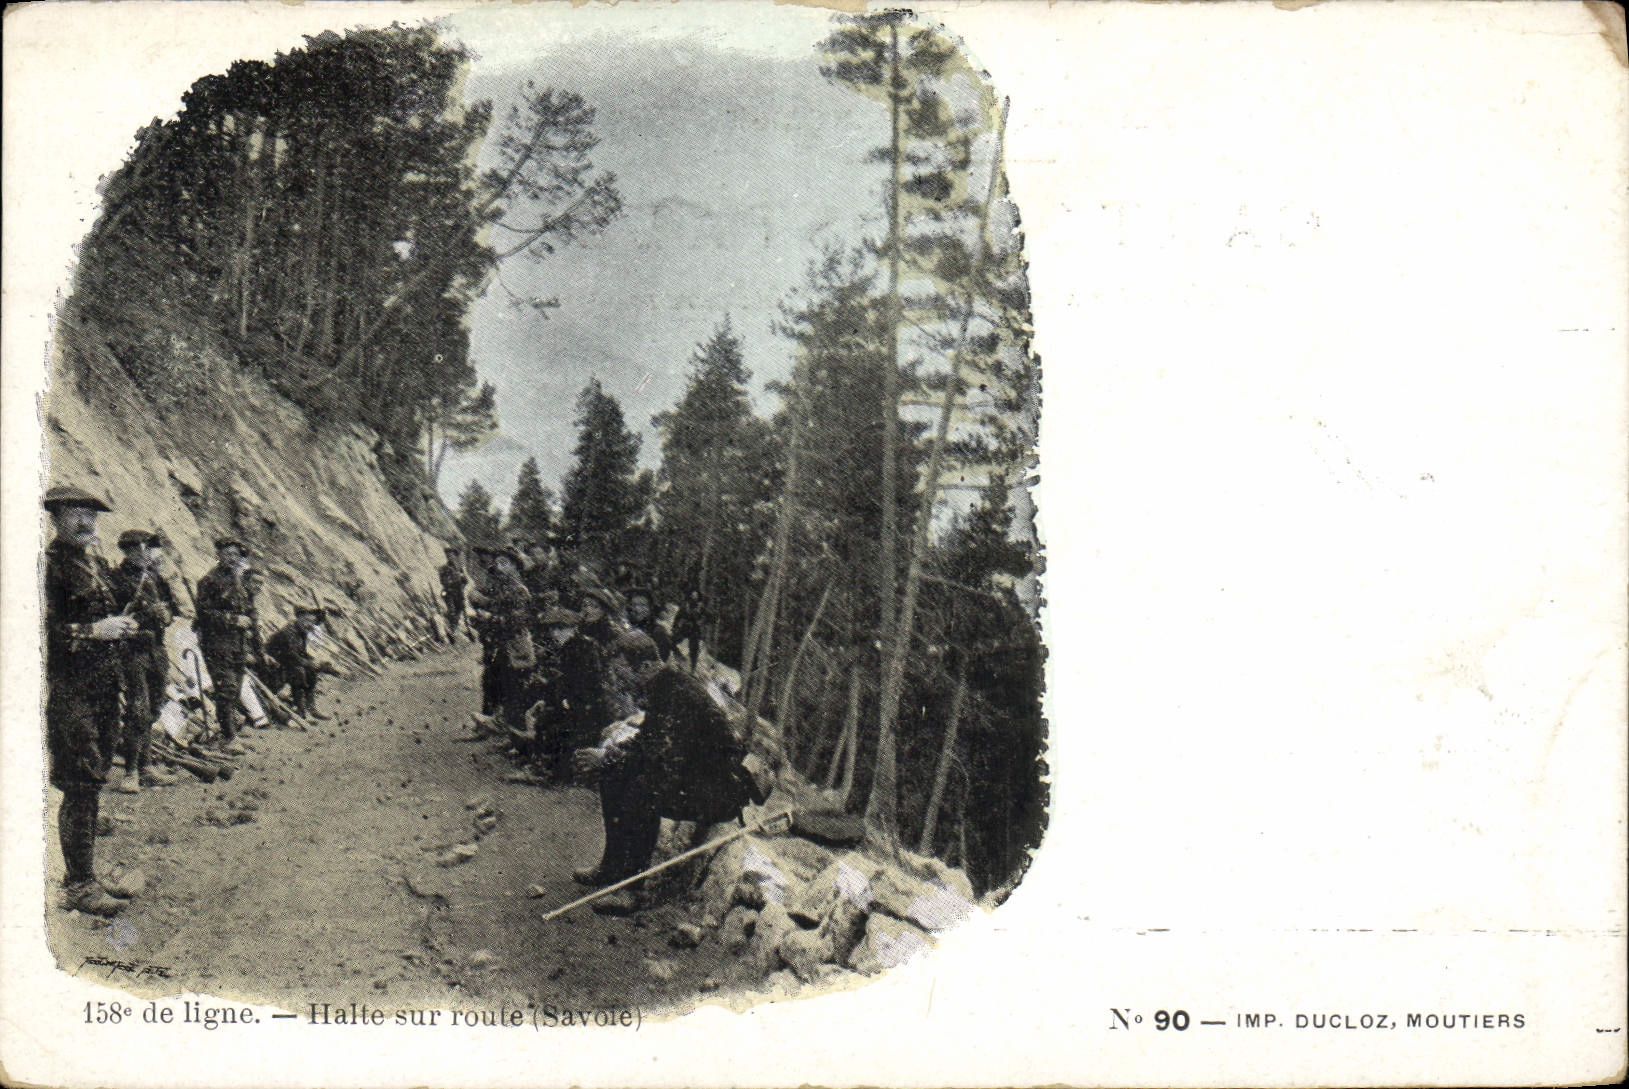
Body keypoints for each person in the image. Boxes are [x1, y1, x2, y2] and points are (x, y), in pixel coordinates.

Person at [572, 662, 756, 913]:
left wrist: (612, 758)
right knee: (614, 773)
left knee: (644, 790)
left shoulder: (679, 693)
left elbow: (663, 759)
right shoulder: (665, 687)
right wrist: (609, 756)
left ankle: (633, 888)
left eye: (627, 671)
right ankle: (612, 866)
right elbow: (648, 740)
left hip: (719, 790)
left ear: (645, 666)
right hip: (695, 777)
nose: (624, 681)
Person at [43, 485, 141, 916]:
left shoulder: (94, 564)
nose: (86, 522)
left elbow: (101, 615)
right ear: (56, 518)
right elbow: (38, 632)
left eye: (91, 515)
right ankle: (79, 885)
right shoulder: (47, 568)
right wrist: (92, 632)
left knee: (94, 778)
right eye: (76, 514)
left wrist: (119, 626)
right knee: (80, 783)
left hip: (102, 686)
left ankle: (83, 874)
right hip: (70, 690)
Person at [108, 529, 180, 793]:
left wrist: (166, 614)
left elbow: (173, 607)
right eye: (141, 549)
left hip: (156, 649)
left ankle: (146, 767)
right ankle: (131, 772)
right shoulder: (116, 578)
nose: (146, 554)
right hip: (132, 651)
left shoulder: (156, 578)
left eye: (149, 549)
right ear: (129, 551)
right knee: (137, 710)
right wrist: (148, 612)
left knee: (154, 708)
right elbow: (112, 613)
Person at [528, 606, 609, 783]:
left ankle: (553, 772)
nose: (556, 633)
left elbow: (589, 683)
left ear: (573, 628)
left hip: (588, 707)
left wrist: (566, 702)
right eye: (553, 629)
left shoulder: (583, 648)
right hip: (577, 702)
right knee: (546, 718)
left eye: (561, 629)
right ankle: (543, 765)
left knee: (557, 726)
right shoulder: (569, 647)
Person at [193, 538, 258, 754]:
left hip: (237, 642)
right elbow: (204, 614)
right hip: (217, 642)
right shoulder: (209, 581)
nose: (233, 558)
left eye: (236, 555)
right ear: (219, 554)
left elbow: (248, 609)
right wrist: (232, 620)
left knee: (236, 687)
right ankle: (229, 738)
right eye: (228, 554)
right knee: (227, 688)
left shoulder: (238, 580)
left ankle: (230, 733)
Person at [468, 546, 534, 735]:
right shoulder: (500, 587)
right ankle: (491, 726)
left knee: (514, 688)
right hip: (500, 644)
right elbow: (478, 593)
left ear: (515, 567)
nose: (499, 568)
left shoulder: (520, 591)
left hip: (515, 645)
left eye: (504, 563)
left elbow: (518, 620)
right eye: (497, 564)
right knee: (492, 682)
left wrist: (490, 617)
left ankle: (514, 733)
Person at [264, 607, 334, 720]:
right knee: (299, 672)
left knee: (311, 671)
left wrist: (314, 663)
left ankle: (311, 708)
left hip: (286, 664)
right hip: (272, 667)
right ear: (299, 618)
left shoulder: (301, 631)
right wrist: (308, 663)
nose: (310, 625)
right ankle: (301, 710)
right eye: (307, 621)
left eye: (312, 622)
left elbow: (301, 653)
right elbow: (291, 656)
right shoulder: (288, 632)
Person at [624, 586, 675, 665]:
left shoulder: (658, 632)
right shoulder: (625, 629)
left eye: (643, 605)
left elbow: (662, 661)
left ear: (650, 608)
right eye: (634, 605)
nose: (638, 609)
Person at [670, 587, 710, 673]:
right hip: (684, 627)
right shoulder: (685, 605)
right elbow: (678, 616)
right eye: (693, 595)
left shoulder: (701, 607)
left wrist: (700, 622)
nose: (694, 597)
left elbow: (707, 617)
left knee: (694, 649)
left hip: (695, 629)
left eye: (696, 595)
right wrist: (674, 627)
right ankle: (678, 658)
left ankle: (693, 668)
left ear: (698, 597)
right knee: (673, 640)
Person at [438, 545, 469, 642]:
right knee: (452, 611)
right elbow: (443, 581)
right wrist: (454, 581)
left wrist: (462, 584)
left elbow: (465, 580)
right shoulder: (444, 568)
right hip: (449, 592)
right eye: (448, 555)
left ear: (454, 556)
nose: (449, 557)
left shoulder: (459, 568)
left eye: (451, 555)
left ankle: (454, 629)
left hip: (458, 592)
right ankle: (451, 630)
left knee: (459, 610)